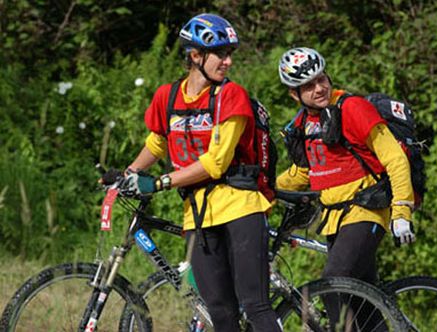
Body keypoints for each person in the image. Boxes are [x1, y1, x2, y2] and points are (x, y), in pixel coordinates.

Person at [120, 13, 282, 332]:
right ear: (195, 56)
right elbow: (157, 143)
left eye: (229, 53)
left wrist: (158, 182)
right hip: (197, 215)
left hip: (241, 207)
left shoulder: (230, 95)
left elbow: (216, 163)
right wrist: (127, 174)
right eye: (221, 54)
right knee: (220, 312)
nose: (228, 61)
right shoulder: (167, 97)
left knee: (255, 305)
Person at [277, 47, 416, 327]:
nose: (319, 88)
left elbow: (394, 157)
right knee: (362, 303)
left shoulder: (351, 107)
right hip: (334, 220)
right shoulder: (305, 123)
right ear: (295, 94)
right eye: (309, 85)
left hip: (366, 210)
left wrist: (402, 211)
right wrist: (261, 186)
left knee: (333, 284)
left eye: (321, 79)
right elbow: (304, 173)